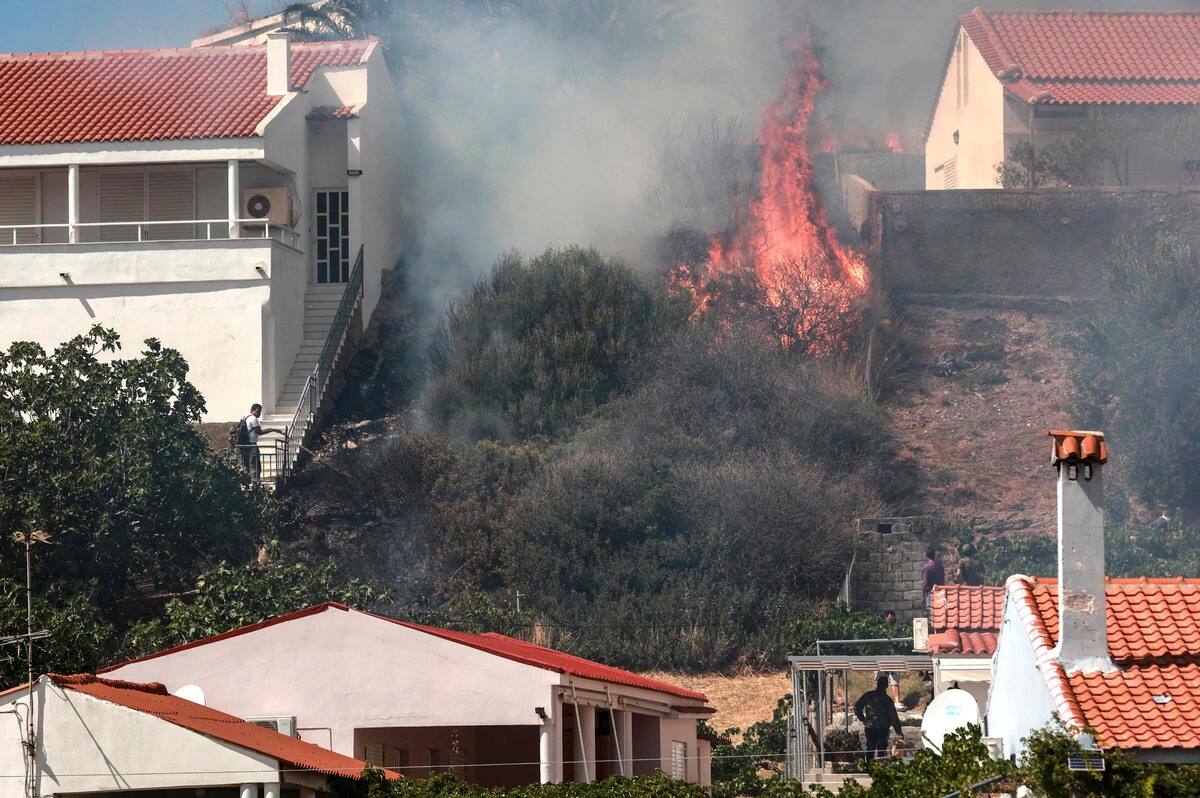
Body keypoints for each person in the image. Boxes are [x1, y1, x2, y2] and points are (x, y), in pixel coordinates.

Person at [854, 675, 903, 761]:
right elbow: (893, 716)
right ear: (887, 686)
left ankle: (869, 768)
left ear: (877, 684)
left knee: (870, 748)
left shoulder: (868, 695)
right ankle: (880, 769)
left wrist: (863, 719)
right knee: (881, 750)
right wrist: (898, 731)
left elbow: (857, 707)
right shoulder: (887, 699)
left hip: (870, 727)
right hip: (883, 728)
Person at [239, 403, 283, 478]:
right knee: (255, 463)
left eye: (260, 412)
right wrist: (273, 429)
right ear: (252, 410)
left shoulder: (246, 418)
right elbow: (260, 432)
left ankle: (250, 479)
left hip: (246, 444)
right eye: (258, 411)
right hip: (252, 444)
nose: (259, 414)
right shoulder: (253, 419)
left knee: (249, 463)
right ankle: (255, 481)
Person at [881, 611, 904, 710]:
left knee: (894, 678)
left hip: (894, 657)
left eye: (892, 617)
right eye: (888, 617)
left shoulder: (897, 629)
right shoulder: (881, 629)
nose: (890, 619)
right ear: (885, 618)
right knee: (881, 679)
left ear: (894, 617)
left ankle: (897, 701)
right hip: (883, 657)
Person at [922, 547, 945, 613]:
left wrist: (923, 596)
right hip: (940, 593)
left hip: (931, 594)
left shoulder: (926, 568)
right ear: (934, 555)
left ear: (926, 556)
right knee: (940, 614)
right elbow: (943, 581)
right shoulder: (940, 566)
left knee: (931, 614)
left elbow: (925, 583)